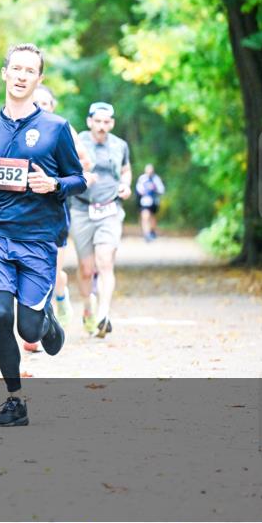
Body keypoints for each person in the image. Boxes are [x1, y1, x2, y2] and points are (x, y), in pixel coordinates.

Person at [0, 43, 87, 427]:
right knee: (0, 314)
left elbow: (78, 179)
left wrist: (53, 185)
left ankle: (44, 320)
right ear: (4, 73)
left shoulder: (56, 127)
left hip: (37, 238)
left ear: (38, 79)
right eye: (15, 68)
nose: (21, 75)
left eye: (30, 71)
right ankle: (15, 401)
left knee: (26, 329)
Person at [23, 85, 92, 352]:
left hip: (54, 210)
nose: (40, 106)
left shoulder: (62, 129)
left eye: (45, 103)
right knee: (29, 270)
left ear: (53, 105)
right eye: (36, 101)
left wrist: (56, 179)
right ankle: (39, 321)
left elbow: (84, 164)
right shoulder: (17, 125)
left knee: (49, 272)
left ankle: (42, 324)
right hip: (21, 212)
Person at [69, 102, 132, 338]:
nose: (102, 126)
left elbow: (126, 170)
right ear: (89, 122)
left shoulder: (120, 145)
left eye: (107, 122)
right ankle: (88, 306)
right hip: (82, 209)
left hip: (110, 210)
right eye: (98, 121)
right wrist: (81, 178)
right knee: (86, 269)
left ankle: (104, 314)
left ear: (112, 123)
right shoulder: (78, 143)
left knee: (105, 261)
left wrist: (126, 185)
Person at [136, 163, 165, 241]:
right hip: (145, 202)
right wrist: (144, 191)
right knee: (145, 216)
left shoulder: (156, 179)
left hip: (154, 202)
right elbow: (138, 189)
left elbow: (161, 190)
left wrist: (154, 188)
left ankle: (152, 231)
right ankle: (146, 234)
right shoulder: (142, 178)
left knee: (152, 217)